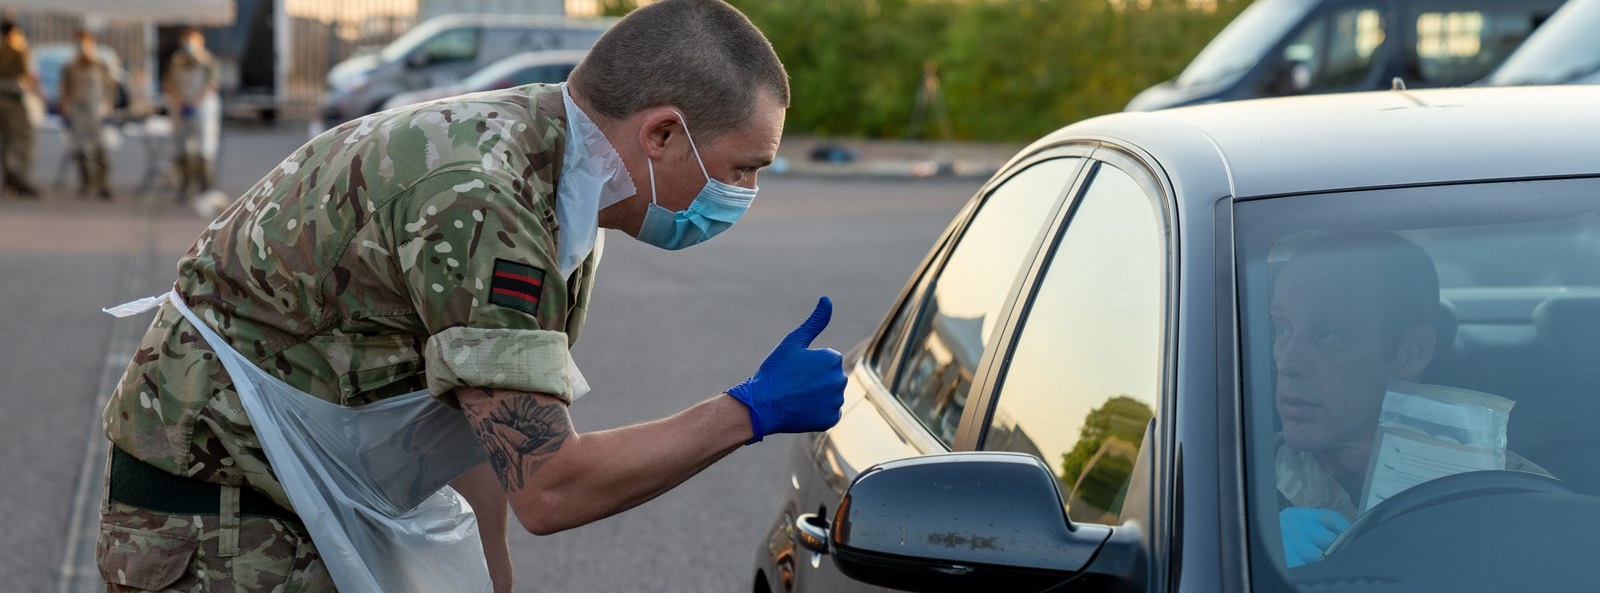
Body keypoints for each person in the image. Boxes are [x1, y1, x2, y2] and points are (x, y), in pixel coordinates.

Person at [97, 2, 843, 592]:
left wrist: (490, 575)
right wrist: (750, 409)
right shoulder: (486, 201)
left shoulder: (559, 176)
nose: (745, 193)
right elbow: (550, 486)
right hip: (214, 510)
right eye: (745, 168)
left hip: (284, 485)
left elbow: (473, 417)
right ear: (663, 134)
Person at [1270, 232, 1544, 568]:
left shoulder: (1514, 495)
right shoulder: (1230, 491)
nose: (1287, 363)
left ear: (1411, 353)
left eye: (1327, 333)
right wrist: (1257, 549)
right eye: (1282, 328)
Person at [162, 27, 218, 201]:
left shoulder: (207, 61)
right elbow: (168, 82)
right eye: (186, 40)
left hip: (202, 107)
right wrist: (179, 99)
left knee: (204, 146)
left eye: (192, 40)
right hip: (180, 106)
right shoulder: (176, 61)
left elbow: (212, 84)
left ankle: (206, 186)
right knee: (180, 146)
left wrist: (196, 101)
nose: (189, 44)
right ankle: (185, 185)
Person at [60, 30, 117, 200]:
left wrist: (108, 105)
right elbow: (65, 88)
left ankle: (103, 184)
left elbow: (110, 87)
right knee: (79, 148)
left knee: (100, 148)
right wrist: (65, 106)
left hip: (95, 111)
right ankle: (85, 182)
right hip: (78, 110)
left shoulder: (100, 64)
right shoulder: (70, 66)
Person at [0, 21, 38, 198]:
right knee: (22, 141)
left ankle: (10, 181)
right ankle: (18, 180)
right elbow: (25, 74)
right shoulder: (15, 51)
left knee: (6, 143)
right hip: (13, 101)